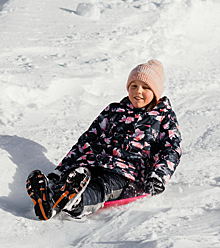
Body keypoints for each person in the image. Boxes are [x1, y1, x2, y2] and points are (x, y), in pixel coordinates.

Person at [26, 60, 182, 220]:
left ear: (156, 92)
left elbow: (171, 149)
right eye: (133, 86)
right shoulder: (113, 110)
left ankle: (78, 202)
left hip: (127, 174)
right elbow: (86, 141)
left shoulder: (164, 117)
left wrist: (158, 177)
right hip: (94, 163)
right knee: (74, 177)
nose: (138, 91)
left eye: (145, 87)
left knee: (102, 186)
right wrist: (60, 170)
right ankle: (50, 198)